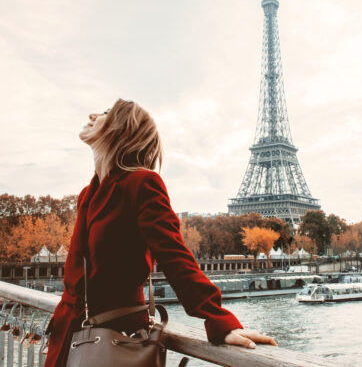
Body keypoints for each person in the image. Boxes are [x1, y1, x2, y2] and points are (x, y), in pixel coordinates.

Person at [45, 99, 276, 366]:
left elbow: (175, 256)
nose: (92, 113)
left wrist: (219, 320)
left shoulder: (141, 183)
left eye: (106, 113)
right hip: (71, 339)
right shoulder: (88, 194)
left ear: (121, 128)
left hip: (114, 344)